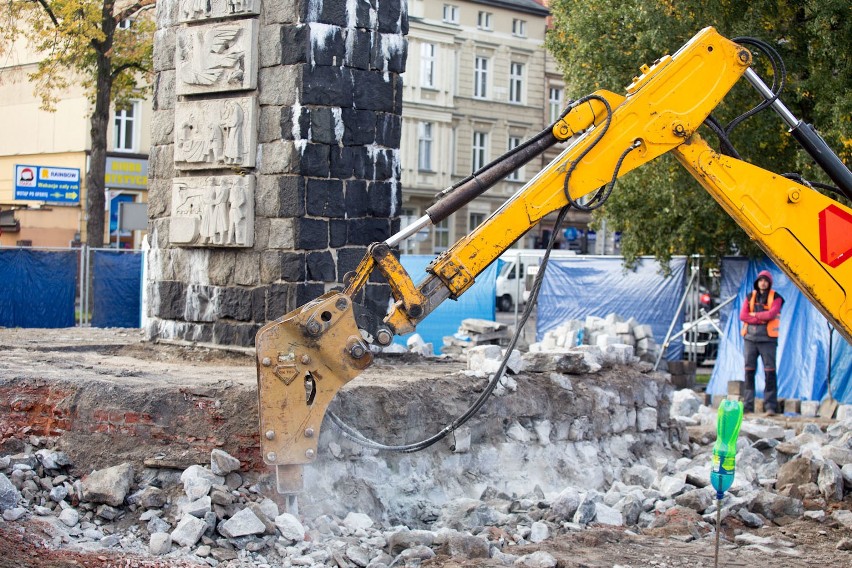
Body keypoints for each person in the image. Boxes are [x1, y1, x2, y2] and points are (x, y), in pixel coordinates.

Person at [739, 270, 783, 415]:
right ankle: (748, 405)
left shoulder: (776, 298)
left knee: (770, 372)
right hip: (750, 339)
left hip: (768, 340)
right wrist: (761, 318)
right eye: (760, 280)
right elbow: (743, 315)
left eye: (765, 280)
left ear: (769, 283)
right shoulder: (750, 296)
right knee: (749, 371)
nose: (763, 283)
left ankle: (770, 406)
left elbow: (771, 314)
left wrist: (754, 316)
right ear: (757, 282)